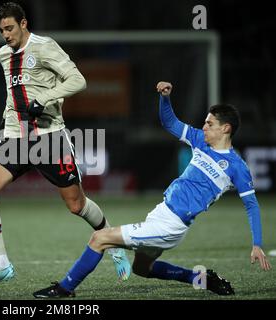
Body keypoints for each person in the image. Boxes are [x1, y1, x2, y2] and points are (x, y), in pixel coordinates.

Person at [33, 81, 272, 298]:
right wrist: (165, 98)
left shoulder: (237, 167)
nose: (204, 126)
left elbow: (251, 205)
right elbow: (170, 123)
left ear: (226, 128)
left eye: (210, 123)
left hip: (172, 224)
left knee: (99, 238)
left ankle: (64, 289)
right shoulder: (200, 140)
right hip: (162, 212)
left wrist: (257, 244)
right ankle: (201, 278)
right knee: (141, 269)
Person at [0, 2, 130, 285]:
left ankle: (111, 241)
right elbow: (14, 93)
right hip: (16, 137)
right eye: (1, 30)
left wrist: (43, 99)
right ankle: (1, 264)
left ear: (23, 23)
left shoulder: (45, 47)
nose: (5, 35)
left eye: (9, 28)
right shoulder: (3, 54)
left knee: (76, 205)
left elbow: (77, 80)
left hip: (49, 138)